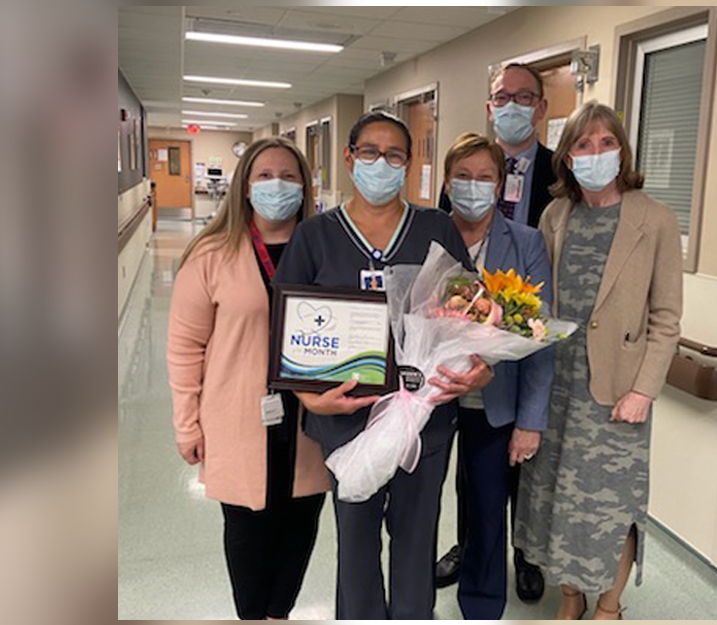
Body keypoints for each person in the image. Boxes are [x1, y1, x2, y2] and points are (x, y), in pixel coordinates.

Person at [272, 111, 495, 620]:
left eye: (394, 155)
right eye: (369, 152)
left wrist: (481, 367)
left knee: (416, 542)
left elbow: (472, 313)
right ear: (349, 159)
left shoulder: (436, 228)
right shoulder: (316, 236)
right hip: (347, 419)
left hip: (425, 418)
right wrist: (308, 398)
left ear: (409, 164)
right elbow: (285, 328)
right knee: (355, 544)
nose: (381, 163)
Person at [513, 101, 683, 620]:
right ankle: (571, 596)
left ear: (622, 150)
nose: (595, 154)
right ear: (567, 157)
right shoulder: (555, 215)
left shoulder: (654, 219)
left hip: (617, 391)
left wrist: (644, 390)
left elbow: (666, 316)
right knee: (557, 501)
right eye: (583, 145)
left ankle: (609, 605)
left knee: (612, 506)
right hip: (557, 386)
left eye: (606, 143)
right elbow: (537, 301)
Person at [167, 137, 330, 620]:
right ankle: (252, 615)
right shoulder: (211, 255)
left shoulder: (325, 250)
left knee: (300, 525)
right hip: (238, 419)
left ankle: (279, 614)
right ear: (244, 187)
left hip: (311, 422)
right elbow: (184, 347)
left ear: (305, 185)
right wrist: (186, 424)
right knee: (247, 532)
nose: (276, 185)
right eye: (263, 176)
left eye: (288, 175)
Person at [436, 61, 555, 602]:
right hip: (431, 396)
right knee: (417, 507)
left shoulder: (526, 242)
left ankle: (481, 607)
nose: (474, 187)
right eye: (463, 177)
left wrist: (530, 422)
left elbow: (538, 338)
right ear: (445, 182)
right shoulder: (428, 234)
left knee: (488, 510)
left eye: (486, 177)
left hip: (495, 401)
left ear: (501, 182)